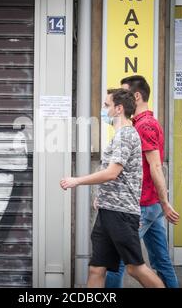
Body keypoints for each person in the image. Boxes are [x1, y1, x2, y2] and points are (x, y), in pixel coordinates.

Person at [60, 88, 164, 288]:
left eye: (106, 105)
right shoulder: (118, 135)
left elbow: (112, 172)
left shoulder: (125, 135)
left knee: (135, 268)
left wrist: (76, 181)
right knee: (96, 269)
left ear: (119, 109)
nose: (103, 109)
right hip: (108, 211)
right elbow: (116, 177)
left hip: (121, 214)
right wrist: (103, 197)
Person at [105, 75, 180, 288]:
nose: (120, 99)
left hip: (143, 205)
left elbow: (156, 166)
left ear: (136, 96)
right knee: (160, 260)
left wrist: (164, 203)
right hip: (149, 204)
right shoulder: (138, 124)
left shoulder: (145, 125)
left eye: (125, 94)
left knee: (117, 260)